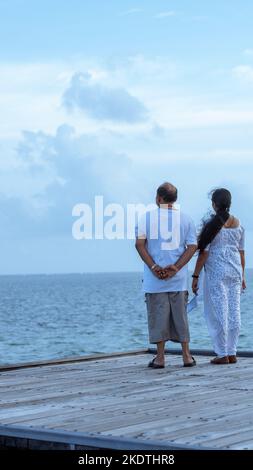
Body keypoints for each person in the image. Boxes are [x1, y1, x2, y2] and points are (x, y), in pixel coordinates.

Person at [135, 182, 197, 368]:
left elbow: (139, 245)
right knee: (181, 317)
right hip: (178, 279)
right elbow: (192, 246)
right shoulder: (186, 219)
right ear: (175, 199)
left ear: (158, 198)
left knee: (157, 317)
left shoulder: (146, 218)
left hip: (155, 280)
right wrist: (176, 268)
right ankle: (186, 356)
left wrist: (155, 267)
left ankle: (160, 358)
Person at [192, 188, 246, 364]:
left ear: (214, 205)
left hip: (217, 272)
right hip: (235, 272)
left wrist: (195, 276)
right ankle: (232, 352)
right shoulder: (239, 224)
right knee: (234, 311)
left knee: (219, 312)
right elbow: (241, 253)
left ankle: (222, 353)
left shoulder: (212, 225)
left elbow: (204, 254)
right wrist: (243, 276)